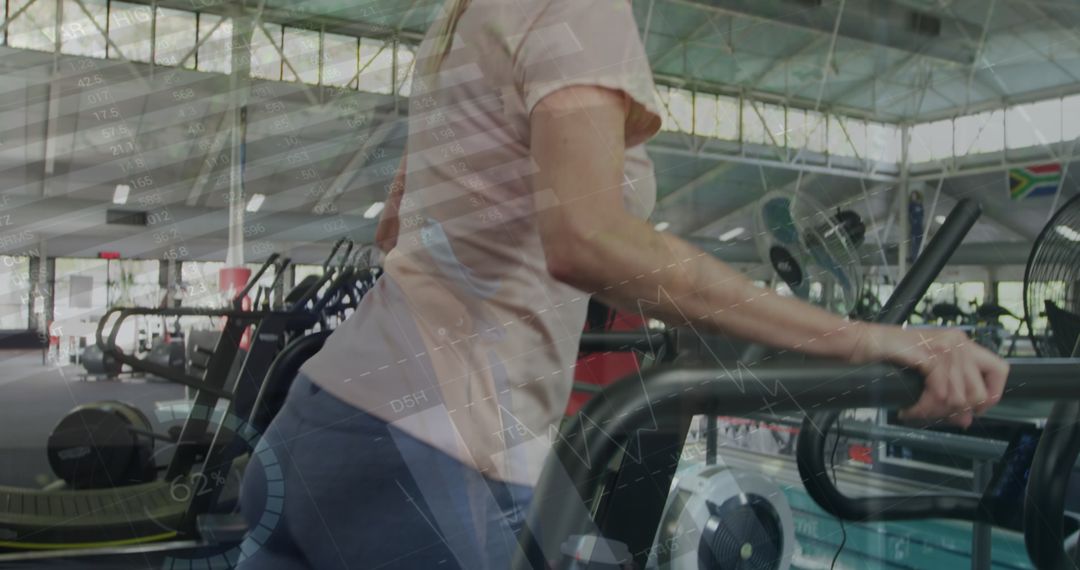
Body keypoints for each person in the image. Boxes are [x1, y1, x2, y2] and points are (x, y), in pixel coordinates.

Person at [237, 0, 1010, 568]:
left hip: (324, 424)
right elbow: (588, 241)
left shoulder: (459, 17)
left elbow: (397, 224)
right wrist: (874, 341)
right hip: (435, 455)